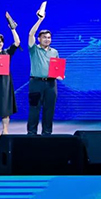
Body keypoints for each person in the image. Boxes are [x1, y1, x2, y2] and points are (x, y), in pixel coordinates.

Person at [27, 7, 61, 135]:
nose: (47, 39)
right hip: (36, 83)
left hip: (51, 84)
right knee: (34, 109)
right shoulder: (34, 49)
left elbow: (57, 68)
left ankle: (47, 133)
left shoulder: (54, 52)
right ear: (39, 39)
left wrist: (59, 75)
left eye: (49, 37)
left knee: (49, 110)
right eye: (44, 37)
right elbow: (30, 34)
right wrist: (40, 20)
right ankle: (31, 133)